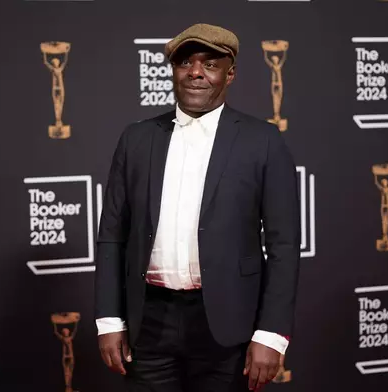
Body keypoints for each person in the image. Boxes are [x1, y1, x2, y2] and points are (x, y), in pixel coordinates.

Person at [95, 23, 301, 392]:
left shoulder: (263, 140)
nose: (195, 72)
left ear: (230, 73)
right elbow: (112, 234)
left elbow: (284, 245)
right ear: (173, 70)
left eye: (210, 64)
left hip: (228, 323)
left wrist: (271, 333)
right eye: (186, 62)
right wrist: (110, 320)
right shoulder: (136, 138)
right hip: (149, 321)